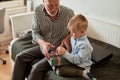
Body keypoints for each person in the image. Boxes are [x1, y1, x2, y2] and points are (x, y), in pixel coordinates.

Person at [12, 0, 74, 80]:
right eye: (50, 5)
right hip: (43, 46)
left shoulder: (69, 13)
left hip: (59, 51)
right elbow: (35, 32)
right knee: (20, 58)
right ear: (43, 2)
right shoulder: (38, 11)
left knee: (36, 68)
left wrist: (68, 37)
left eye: (56, 4)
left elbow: (76, 32)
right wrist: (43, 43)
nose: (54, 8)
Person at [56, 14, 97, 80]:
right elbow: (72, 51)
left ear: (82, 32)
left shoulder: (84, 45)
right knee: (54, 63)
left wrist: (65, 53)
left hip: (81, 65)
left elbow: (77, 60)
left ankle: (83, 73)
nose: (71, 34)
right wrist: (62, 51)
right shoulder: (74, 37)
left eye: (73, 32)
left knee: (60, 71)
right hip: (74, 60)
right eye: (70, 32)